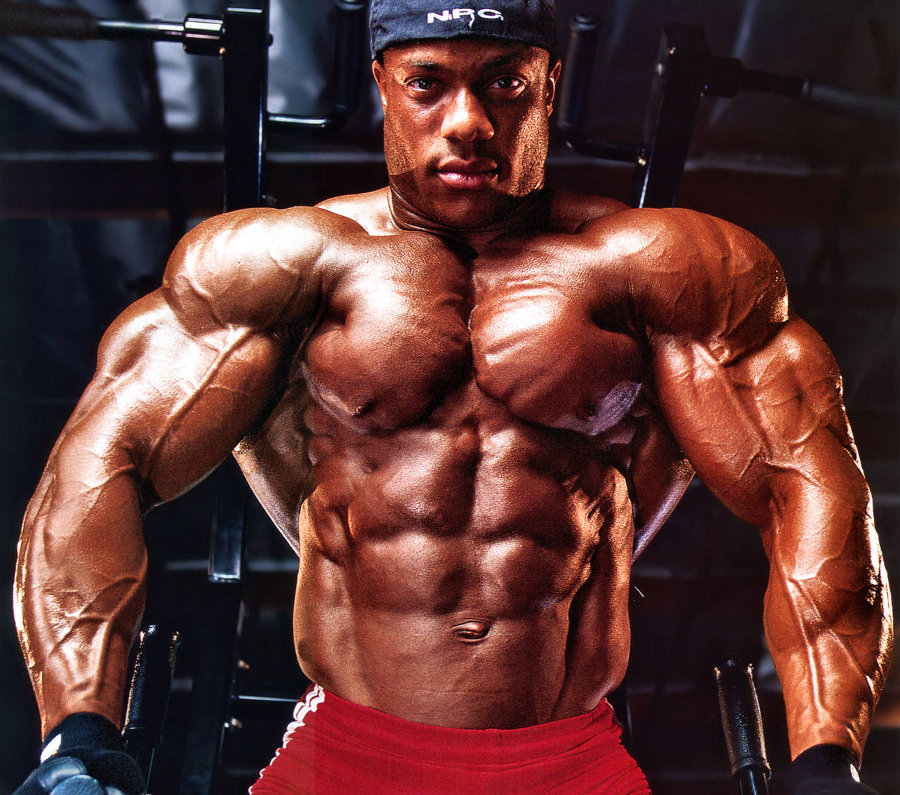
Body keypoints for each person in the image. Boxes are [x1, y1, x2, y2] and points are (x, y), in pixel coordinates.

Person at [13, 1, 893, 792]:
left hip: (570, 759)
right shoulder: (276, 267)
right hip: (347, 752)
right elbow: (103, 457)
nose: (468, 122)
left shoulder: (665, 271)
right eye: (428, 84)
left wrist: (826, 759)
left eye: (505, 84)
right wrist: (78, 738)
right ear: (382, 85)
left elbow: (807, 481)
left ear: (550, 85)